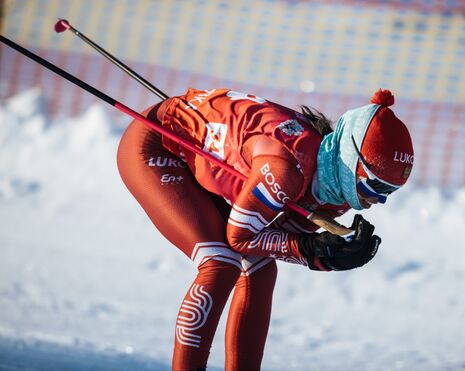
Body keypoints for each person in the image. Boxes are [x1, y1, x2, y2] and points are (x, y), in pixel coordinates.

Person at [116, 87, 414, 371]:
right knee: (220, 262)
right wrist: (310, 250)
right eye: (375, 186)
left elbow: (275, 237)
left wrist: (326, 255)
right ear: (352, 163)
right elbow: (241, 237)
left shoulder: (338, 189)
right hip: (157, 144)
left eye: (389, 191)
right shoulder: (286, 168)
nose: (378, 200)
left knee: (260, 270)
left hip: (200, 160)